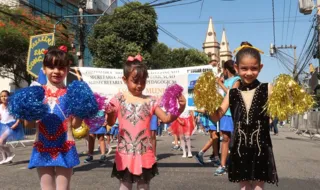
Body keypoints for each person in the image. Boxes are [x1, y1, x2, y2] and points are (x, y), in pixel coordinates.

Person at [12, 46, 97, 190]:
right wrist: (29, 112)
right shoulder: (37, 94)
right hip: (42, 146)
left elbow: (75, 125)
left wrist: (81, 112)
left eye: (61, 67)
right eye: (51, 67)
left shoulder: (72, 94)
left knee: (63, 188)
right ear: (44, 69)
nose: (56, 71)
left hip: (65, 146)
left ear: (67, 69)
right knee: (46, 187)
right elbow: (28, 125)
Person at [106, 54, 186, 190]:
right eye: (135, 81)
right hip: (125, 152)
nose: (139, 85)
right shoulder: (118, 99)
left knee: (143, 186)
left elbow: (166, 118)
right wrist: (110, 114)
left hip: (144, 152)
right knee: (124, 185)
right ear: (124, 79)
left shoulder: (151, 101)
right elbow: (111, 122)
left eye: (143, 81)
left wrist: (181, 107)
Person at [210, 42, 278, 189]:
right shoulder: (232, 93)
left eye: (254, 68)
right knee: (244, 186)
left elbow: (279, 112)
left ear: (260, 68)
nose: (249, 72)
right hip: (240, 146)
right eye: (244, 68)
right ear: (236, 68)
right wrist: (207, 106)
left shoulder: (267, 89)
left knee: (259, 185)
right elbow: (217, 116)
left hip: (261, 146)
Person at [214, 60, 241, 176]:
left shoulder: (237, 80)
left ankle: (234, 162)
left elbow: (232, 94)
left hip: (233, 113)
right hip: (224, 113)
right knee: (225, 138)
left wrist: (220, 84)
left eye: (223, 70)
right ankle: (223, 165)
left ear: (226, 70)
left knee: (234, 139)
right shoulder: (225, 80)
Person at [0, 90, 24, 164]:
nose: (4, 98)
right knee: (2, 142)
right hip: (2, 125)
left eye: (5, 96)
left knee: (0, 141)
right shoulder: (0, 106)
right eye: (2, 96)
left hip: (11, 125)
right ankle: (5, 158)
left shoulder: (12, 105)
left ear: (9, 97)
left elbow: (19, 116)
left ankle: (10, 154)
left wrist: (16, 123)